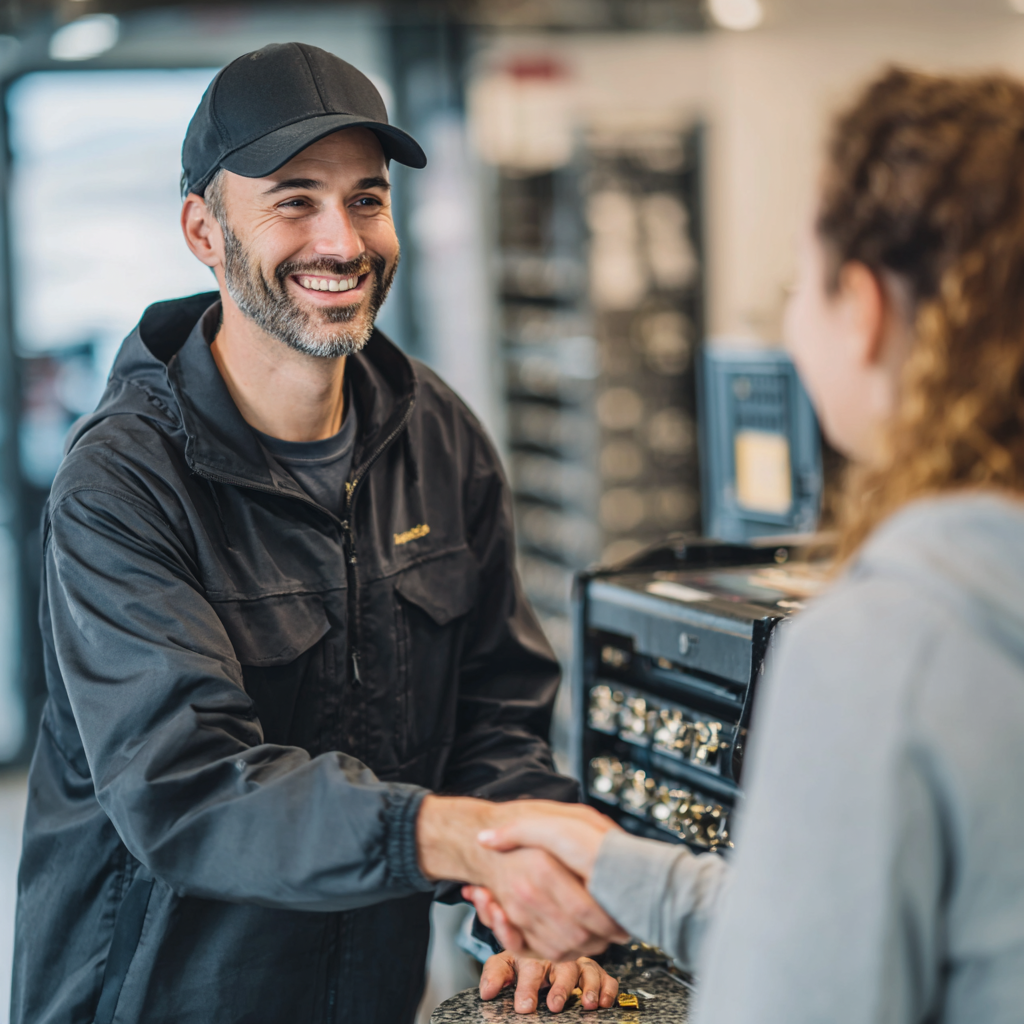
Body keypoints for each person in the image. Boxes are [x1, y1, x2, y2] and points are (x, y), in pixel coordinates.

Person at [10, 43, 623, 1024]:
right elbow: (190, 785)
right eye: (294, 200)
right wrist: (448, 835)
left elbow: (494, 718)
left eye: (366, 199)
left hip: (367, 992)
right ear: (203, 232)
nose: (341, 241)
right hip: (156, 995)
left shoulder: (438, 435)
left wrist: (520, 898)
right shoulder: (123, 480)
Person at [465, 66, 1024, 1021]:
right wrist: (621, 870)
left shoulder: (883, 650)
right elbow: (846, 933)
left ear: (863, 307)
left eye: (798, 282)